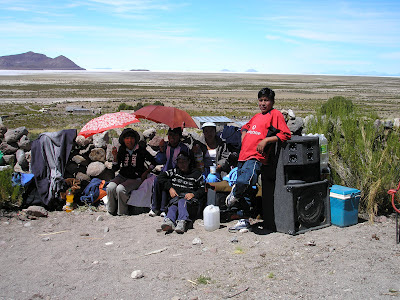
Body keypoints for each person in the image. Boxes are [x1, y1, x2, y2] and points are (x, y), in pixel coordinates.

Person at [225, 87, 291, 229]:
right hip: (243, 155)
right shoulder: (256, 116)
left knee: (246, 181)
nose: (263, 103)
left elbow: (286, 134)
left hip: (256, 156)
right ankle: (244, 220)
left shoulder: (276, 115)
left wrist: (266, 141)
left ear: (272, 102)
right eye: (260, 100)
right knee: (247, 191)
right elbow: (245, 126)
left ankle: (234, 192)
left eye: (266, 100)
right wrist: (243, 133)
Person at [106, 128, 156, 216]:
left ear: (135, 139)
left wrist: (146, 172)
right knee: (110, 187)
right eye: (127, 138)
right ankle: (111, 210)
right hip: (122, 176)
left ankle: (122, 212)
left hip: (136, 178)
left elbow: (154, 161)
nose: (129, 140)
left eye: (132, 138)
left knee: (120, 189)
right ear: (123, 140)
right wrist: (115, 157)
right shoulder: (122, 150)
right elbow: (115, 168)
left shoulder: (141, 150)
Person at [158, 151, 205, 233]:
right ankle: (169, 221)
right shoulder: (175, 172)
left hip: (191, 204)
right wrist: (170, 188)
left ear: (189, 161)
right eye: (180, 162)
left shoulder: (196, 174)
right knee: (173, 206)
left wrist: (193, 194)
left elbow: (203, 189)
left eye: (184, 162)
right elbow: (160, 177)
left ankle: (183, 221)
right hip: (176, 200)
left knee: (182, 201)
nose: (182, 165)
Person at [149, 127, 190, 217]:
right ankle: (155, 207)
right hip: (166, 171)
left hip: (177, 173)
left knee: (166, 183)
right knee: (157, 181)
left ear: (179, 136)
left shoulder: (183, 148)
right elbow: (159, 160)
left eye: (175, 135)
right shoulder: (165, 146)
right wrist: (161, 149)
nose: (172, 137)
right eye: (170, 135)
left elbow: (184, 163)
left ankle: (163, 208)